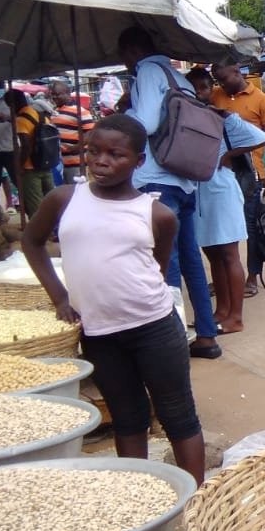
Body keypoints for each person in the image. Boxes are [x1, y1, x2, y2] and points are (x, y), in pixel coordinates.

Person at [22, 114, 208, 484]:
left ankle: (197, 500)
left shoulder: (157, 214)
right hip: (99, 332)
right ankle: (136, 493)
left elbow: (157, 266)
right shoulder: (64, 199)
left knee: (177, 413)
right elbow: (32, 242)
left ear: (138, 161)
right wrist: (60, 297)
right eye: (94, 151)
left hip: (154, 327)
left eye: (115, 154)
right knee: (127, 416)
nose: (101, 161)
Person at [116, 26, 221, 358]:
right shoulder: (180, 78)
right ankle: (206, 335)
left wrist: (122, 115)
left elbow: (144, 123)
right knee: (190, 259)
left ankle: (173, 343)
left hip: (157, 180)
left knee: (166, 261)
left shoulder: (147, 71)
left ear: (131, 52)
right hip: (186, 179)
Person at [184, 66, 258, 334]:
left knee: (228, 255)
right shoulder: (185, 118)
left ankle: (235, 317)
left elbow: (259, 137)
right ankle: (221, 311)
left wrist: (228, 157)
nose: (198, 93)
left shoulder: (219, 116)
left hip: (221, 191)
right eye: (192, 88)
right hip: (198, 193)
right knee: (213, 255)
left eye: (203, 87)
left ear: (209, 89)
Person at [210, 62, 265, 299]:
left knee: (250, 229)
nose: (221, 84)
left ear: (238, 73)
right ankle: (223, 277)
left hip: (251, 175)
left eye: (223, 78)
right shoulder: (215, 95)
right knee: (220, 229)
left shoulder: (262, 100)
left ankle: (252, 277)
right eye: (217, 80)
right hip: (221, 174)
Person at [8, 88, 56, 223]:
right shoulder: (40, 113)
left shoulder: (21, 120)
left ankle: (39, 234)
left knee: (35, 205)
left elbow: (26, 145)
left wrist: (19, 165)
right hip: (46, 163)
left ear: (14, 104)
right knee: (50, 200)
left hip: (30, 168)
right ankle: (54, 228)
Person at [49, 79, 95, 185]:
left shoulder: (80, 111)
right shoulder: (54, 111)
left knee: (77, 194)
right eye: (52, 95)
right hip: (59, 164)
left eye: (57, 94)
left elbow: (91, 133)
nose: (54, 97)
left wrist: (75, 148)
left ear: (67, 93)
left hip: (76, 164)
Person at [0, 82, 14, 222]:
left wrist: (7, 118)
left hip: (10, 148)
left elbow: (21, 117)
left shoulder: (11, 100)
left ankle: (16, 206)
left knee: (18, 181)